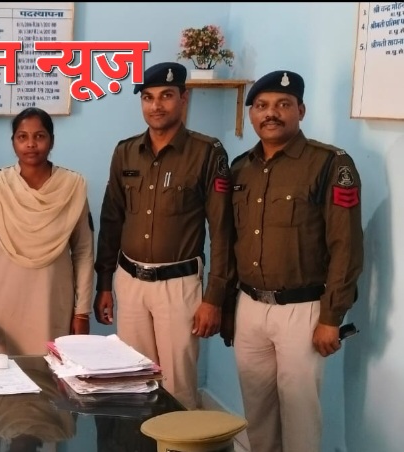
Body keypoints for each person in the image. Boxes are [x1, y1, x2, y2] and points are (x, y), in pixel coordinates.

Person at [226, 70, 363, 452]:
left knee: (300, 413)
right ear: (252, 113)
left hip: (303, 310)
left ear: (300, 110)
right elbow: (231, 242)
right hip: (250, 305)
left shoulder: (329, 163)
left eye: (283, 104)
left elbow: (346, 245)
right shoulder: (241, 168)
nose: (271, 113)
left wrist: (331, 317)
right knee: (257, 413)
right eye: (262, 106)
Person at [93, 62, 235, 409]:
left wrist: (214, 298)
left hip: (178, 286)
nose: (156, 105)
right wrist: (105, 283)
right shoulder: (125, 151)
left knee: (178, 387)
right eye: (148, 97)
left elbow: (221, 231)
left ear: (183, 99)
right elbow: (111, 220)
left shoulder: (207, 152)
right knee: (132, 382)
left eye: (166, 96)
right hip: (130, 281)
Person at [0, 107, 95, 356]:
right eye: (22, 137)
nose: (31, 144)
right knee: (7, 369)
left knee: (53, 369)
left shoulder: (72, 186)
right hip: (6, 297)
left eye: (39, 136)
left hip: (54, 297)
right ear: (13, 142)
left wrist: (82, 311)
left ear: (52, 141)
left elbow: (83, 252)